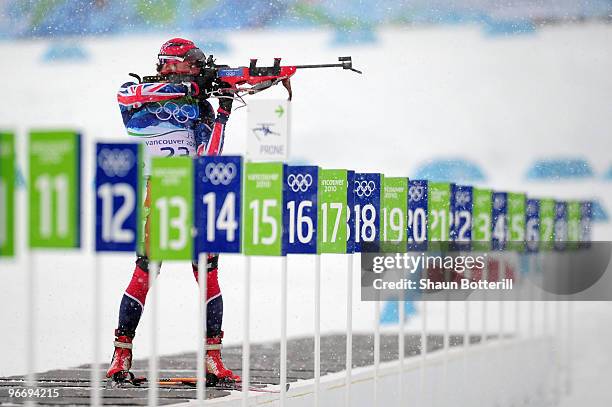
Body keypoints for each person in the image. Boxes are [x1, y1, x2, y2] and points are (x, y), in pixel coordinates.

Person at [107, 38, 239, 385]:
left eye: (198, 63)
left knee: (207, 274)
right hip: (155, 192)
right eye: (191, 62)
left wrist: (222, 111)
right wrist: (190, 88)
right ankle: (121, 353)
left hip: (192, 191)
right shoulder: (135, 95)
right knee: (144, 272)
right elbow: (127, 96)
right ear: (171, 65)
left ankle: (213, 359)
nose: (197, 67)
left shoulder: (201, 108)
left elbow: (209, 157)